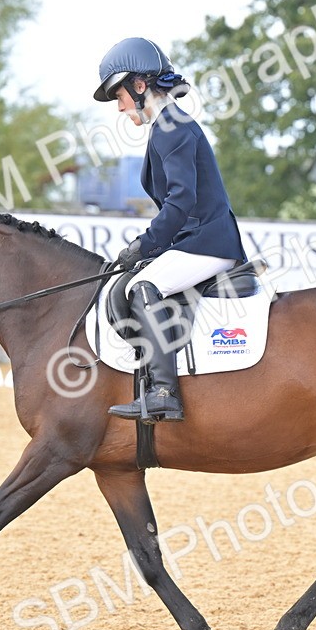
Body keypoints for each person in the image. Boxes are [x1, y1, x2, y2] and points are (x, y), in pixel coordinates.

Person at [93, 37, 248, 424]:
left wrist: (145, 244)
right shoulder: (166, 126)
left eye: (120, 95)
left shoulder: (172, 127)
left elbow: (180, 201)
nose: (120, 105)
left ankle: (163, 392)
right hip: (195, 239)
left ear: (140, 85)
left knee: (142, 287)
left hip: (208, 241)